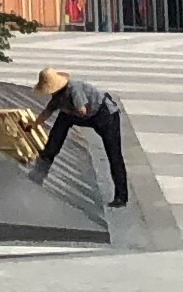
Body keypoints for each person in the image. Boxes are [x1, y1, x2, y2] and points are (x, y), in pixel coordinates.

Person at [32, 67, 130, 203]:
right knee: (59, 126)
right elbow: (46, 113)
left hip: (105, 114)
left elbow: (82, 111)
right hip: (87, 115)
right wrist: (33, 125)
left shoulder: (74, 89)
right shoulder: (57, 97)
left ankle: (121, 196)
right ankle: (39, 173)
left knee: (114, 155)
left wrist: (73, 125)